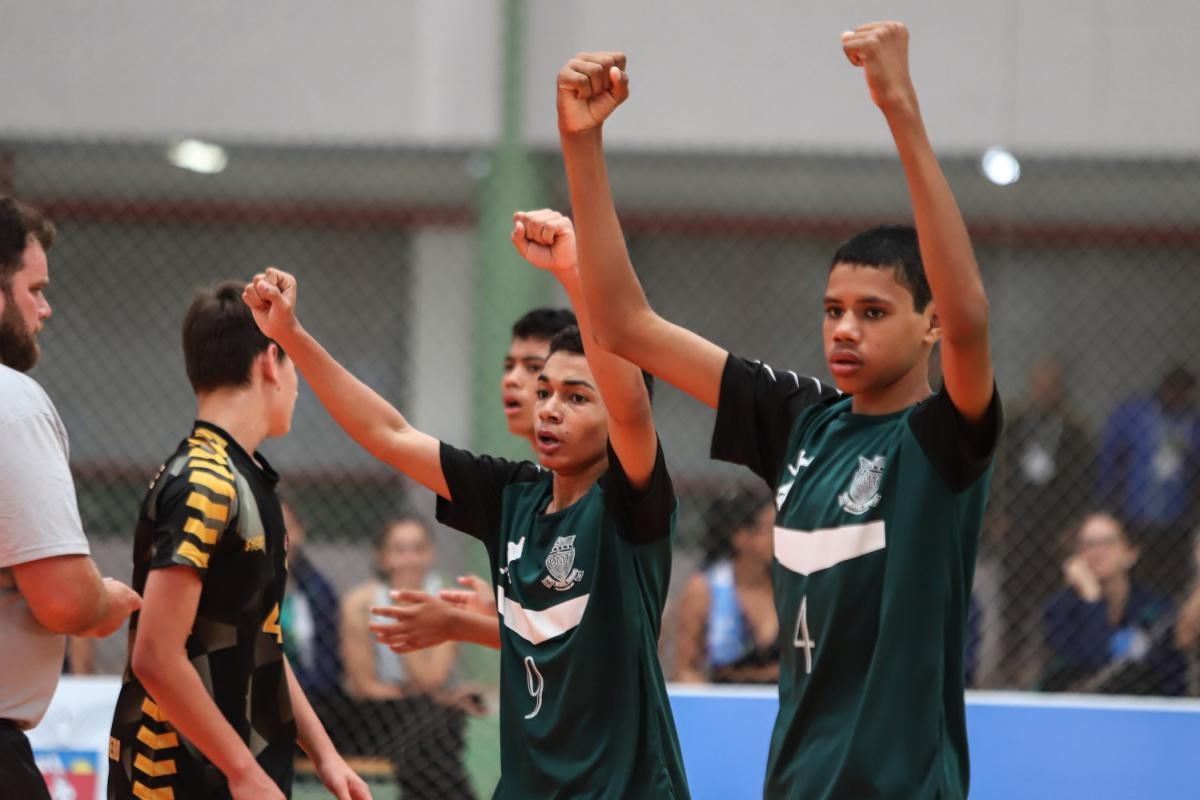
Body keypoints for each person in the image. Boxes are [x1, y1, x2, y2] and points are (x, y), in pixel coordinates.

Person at [558, 22, 1000, 799]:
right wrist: (582, 149)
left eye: (872, 311)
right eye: (833, 310)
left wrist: (900, 107)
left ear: (927, 325)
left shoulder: (940, 441)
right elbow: (624, 324)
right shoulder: (802, 420)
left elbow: (969, 318)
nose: (844, 329)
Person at [242, 207, 690, 798]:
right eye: (545, 391)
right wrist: (291, 336)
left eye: (578, 397)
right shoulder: (512, 496)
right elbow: (389, 434)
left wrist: (575, 272)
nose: (550, 408)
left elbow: (630, 404)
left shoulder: (629, 507)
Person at [106, 282, 369, 800]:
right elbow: (156, 656)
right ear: (271, 361)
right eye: (293, 364)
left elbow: (261, 637)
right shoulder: (204, 481)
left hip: (241, 772)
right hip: (180, 778)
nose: (298, 385)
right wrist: (242, 771)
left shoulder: (247, 478)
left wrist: (325, 755)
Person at [0, 197, 141, 800]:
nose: (45, 308)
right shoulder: (10, 401)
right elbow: (61, 599)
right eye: (34, 288)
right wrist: (105, 603)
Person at [341, 516, 478, 800]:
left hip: (424, 714)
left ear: (431, 554)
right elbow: (365, 686)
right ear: (382, 557)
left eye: (418, 549)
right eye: (399, 550)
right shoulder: (359, 603)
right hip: (377, 714)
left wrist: (403, 609)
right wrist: (427, 696)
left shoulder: (450, 602)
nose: (410, 559)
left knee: (428, 728)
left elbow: (432, 679)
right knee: (432, 722)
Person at [993, 357, 1094, 685]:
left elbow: (1083, 480)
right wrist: (998, 514)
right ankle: (1011, 667)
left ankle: (1050, 669)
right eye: (1040, 383)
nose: (1045, 390)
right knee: (1012, 602)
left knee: (1053, 598)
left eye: (1052, 384)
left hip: (1056, 525)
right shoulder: (1016, 423)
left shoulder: (1075, 430)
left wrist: (1074, 526)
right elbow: (998, 471)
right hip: (1020, 521)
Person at [1041, 512, 1185, 695]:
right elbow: (1094, 660)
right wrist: (1091, 597)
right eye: (1089, 544)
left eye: (1108, 542)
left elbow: (1171, 678)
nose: (1097, 552)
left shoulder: (1157, 609)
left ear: (1130, 554)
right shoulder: (1059, 610)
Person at [1098, 365, 1200, 599]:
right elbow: (1111, 460)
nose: (1177, 398)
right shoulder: (1135, 415)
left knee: (1171, 581)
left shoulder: (1193, 422)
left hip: (1176, 520)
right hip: (1137, 515)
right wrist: (1109, 504)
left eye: (1183, 393)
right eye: (1173, 391)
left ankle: (1163, 628)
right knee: (1134, 576)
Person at [674, 487, 779, 684]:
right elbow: (686, 670)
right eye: (769, 530)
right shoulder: (705, 588)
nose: (779, 537)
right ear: (741, 537)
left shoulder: (790, 586)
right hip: (724, 704)